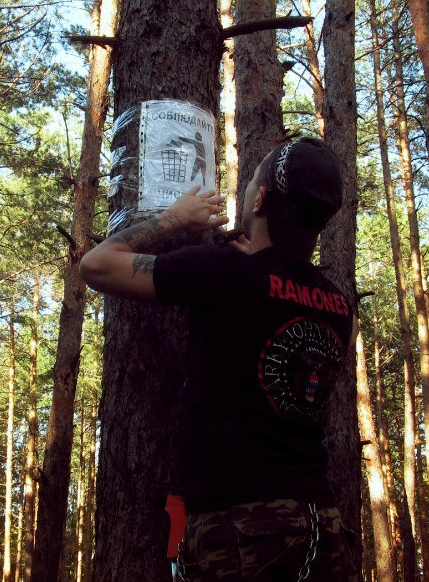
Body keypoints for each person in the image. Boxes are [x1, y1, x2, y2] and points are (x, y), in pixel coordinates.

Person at [81, 136, 357, 581]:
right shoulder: (341, 308)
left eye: (251, 181)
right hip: (322, 528)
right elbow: (278, 300)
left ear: (261, 198)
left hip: (242, 532)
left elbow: (96, 265)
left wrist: (172, 219)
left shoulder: (224, 273)